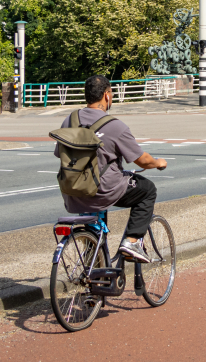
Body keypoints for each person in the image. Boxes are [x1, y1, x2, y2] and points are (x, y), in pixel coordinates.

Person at [54, 75, 168, 262]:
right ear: (106, 95)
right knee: (147, 190)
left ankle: (95, 268)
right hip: (104, 190)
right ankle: (131, 242)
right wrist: (158, 162)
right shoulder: (115, 126)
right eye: (112, 94)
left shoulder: (69, 121)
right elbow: (142, 161)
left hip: (73, 191)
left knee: (94, 221)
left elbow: (61, 154)